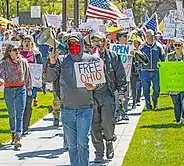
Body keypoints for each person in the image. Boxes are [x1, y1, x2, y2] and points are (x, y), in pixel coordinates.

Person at [46, 32, 99, 166]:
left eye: (76, 43)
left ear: (81, 43)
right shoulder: (62, 60)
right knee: (72, 144)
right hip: (67, 109)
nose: (74, 46)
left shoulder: (91, 59)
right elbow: (49, 78)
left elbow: (100, 81)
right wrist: (52, 63)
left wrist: (94, 86)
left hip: (85, 108)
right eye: (71, 43)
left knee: (82, 141)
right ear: (67, 45)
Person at [90, 32, 127, 163]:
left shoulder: (113, 57)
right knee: (94, 126)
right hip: (92, 95)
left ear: (105, 41)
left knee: (108, 123)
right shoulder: (87, 58)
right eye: (94, 41)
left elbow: (121, 76)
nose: (97, 44)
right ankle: (98, 152)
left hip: (107, 93)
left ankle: (109, 141)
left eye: (99, 41)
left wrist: (122, 92)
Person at [0, 44, 32, 149]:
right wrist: (0, 81)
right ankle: (13, 132)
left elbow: (27, 76)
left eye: (18, 50)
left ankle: (18, 137)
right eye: (14, 50)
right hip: (9, 90)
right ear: (9, 52)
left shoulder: (23, 62)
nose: (17, 52)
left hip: (21, 89)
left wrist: (29, 89)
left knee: (20, 113)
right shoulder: (4, 63)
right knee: (12, 114)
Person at [166, 38, 184, 125]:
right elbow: (166, 69)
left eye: (179, 45)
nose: (177, 47)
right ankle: (178, 120)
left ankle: (183, 118)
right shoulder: (169, 56)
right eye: (176, 45)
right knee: (176, 103)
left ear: (183, 46)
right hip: (174, 83)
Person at [20, 36, 43, 135]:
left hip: (31, 83)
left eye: (29, 41)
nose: (27, 43)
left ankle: (25, 127)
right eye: (25, 41)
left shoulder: (36, 54)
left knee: (28, 105)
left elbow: (40, 67)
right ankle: (19, 127)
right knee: (20, 105)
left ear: (31, 43)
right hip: (20, 82)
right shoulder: (18, 54)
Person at [140, 29, 165, 109]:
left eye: (151, 35)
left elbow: (163, 58)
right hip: (145, 71)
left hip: (155, 71)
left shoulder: (158, 46)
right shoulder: (142, 47)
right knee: (146, 89)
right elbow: (138, 59)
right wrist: (140, 68)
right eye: (147, 35)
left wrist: (162, 66)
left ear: (154, 36)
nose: (149, 37)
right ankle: (148, 104)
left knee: (157, 89)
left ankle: (155, 99)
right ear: (145, 37)